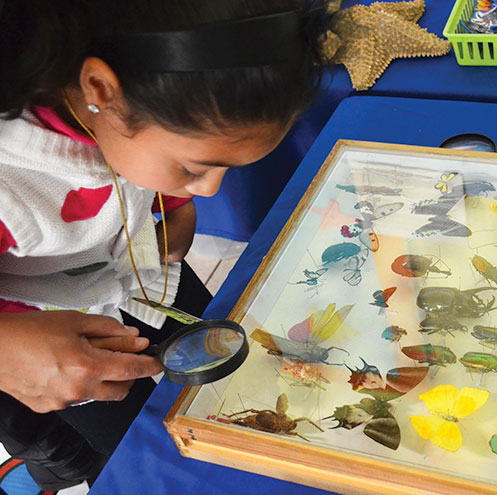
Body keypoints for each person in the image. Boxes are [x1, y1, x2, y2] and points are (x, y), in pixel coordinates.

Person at [0, 0, 329, 489]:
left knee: (223, 363)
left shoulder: (124, 107)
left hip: (139, 273)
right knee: (142, 445)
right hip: (45, 331)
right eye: (194, 168)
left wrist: (174, 200)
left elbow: (144, 153)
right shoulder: (13, 186)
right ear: (99, 89)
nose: (212, 190)